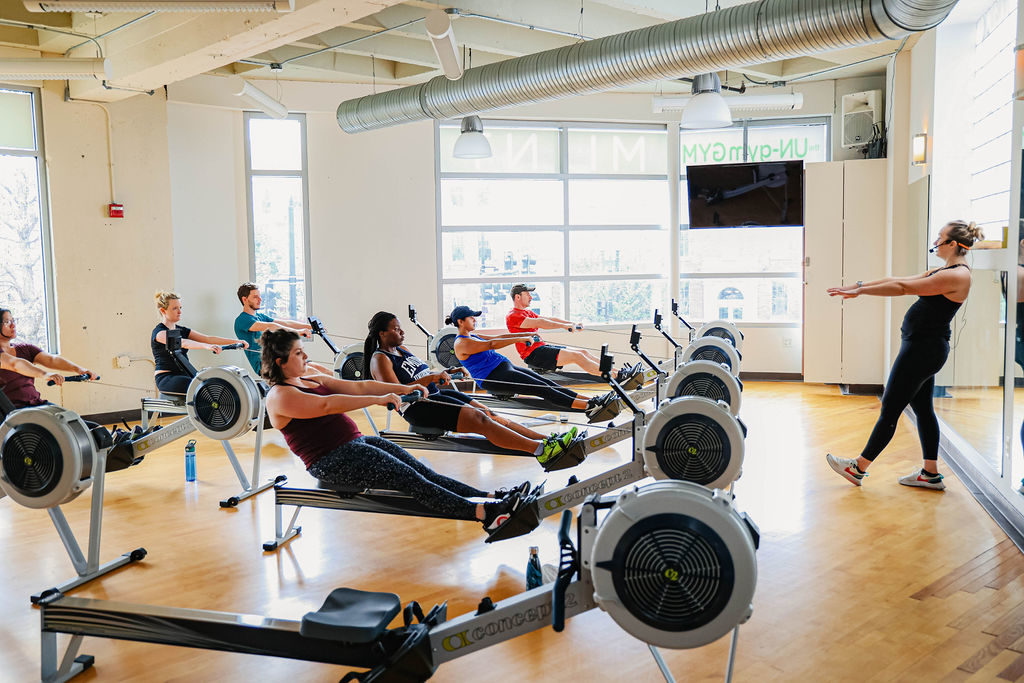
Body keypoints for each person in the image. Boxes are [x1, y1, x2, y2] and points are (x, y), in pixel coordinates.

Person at [262, 329, 528, 534]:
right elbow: (326, 404)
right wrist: (379, 400)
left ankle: (493, 497)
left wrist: (403, 389)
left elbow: (360, 387)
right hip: (329, 461)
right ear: (280, 361)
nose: (305, 357)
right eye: (298, 353)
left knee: (425, 473)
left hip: (355, 444)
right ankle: (488, 515)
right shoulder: (280, 396)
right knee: (411, 480)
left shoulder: (309, 377)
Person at [825, 219, 983, 491]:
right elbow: (896, 280)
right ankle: (929, 474)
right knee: (923, 410)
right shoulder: (945, 270)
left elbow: (902, 289)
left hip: (923, 350)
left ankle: (858, 468)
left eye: (940, 238)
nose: (935, 242)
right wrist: (858, 285)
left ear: (953, 244)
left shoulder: (956, 275)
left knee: (890, 408)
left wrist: (861, 292)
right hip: (923, 347)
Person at [364, 311, 583, 467]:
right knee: (481, 420)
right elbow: (395, 391)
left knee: (490, 414)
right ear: (382, 334)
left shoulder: (402, 349)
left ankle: (546, 440)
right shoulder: (380, 359)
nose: (401, 331)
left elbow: (421, 373)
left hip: (436, 394)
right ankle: (541, 451)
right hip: (418, 407)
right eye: (396, 328)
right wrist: (431, 377)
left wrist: (448, 371)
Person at [450, 305, 621, 422]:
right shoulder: (461, 343)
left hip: (503, 368)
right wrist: (521, 338)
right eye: (471, 317)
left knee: (547, 382)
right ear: (460, 321)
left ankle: (592, 400)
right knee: (541, 388)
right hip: (493, 377)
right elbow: (491, 345)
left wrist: (522, 337)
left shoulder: (473, 335)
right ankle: (590, 407)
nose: (474, 319)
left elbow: (498, 337)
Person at [506, 284, 642, 384]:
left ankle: (621, 373)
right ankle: (617, 377)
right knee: (577, 357)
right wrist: (565, 326)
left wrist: (571, 323)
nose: (530, 297)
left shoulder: (527, 312)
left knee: (582, 352)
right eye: (527, 294)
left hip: (541, 348)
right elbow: (541, 323)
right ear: (518, 297)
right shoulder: (513, 315)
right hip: (534, 355)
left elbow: (549, 319)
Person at [152, 291, 249, 395]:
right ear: (163, 311)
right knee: (203, 388)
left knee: (214, 383)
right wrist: (207, 347)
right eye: (175, 308)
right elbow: (183, 343)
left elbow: (208, 339)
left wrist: (237, 341)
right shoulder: (159, 333)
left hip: (185, 374)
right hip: (167, 377)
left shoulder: (182, 330)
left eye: (180, 308)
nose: (179, 311)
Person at [0, 307, 99, 409]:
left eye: (13, 320)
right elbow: (15, 364)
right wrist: (46, 374)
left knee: (78, 422)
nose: (13, 325)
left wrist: (80, 369)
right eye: (7, 322)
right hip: (11, 413)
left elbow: (52, 360)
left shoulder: (26, 349)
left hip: (36, 405)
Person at [234, 282, 320, 375]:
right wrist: (298, 332)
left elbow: (284, 323)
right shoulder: (242, 320)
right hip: (266, 365)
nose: (260, 299)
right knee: (313, 372)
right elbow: (272, 327)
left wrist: (309, 326)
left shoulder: (260, 316)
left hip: (279, 358)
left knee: (316, 367)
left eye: (260, 296)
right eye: (255, 297)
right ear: (244, 299)